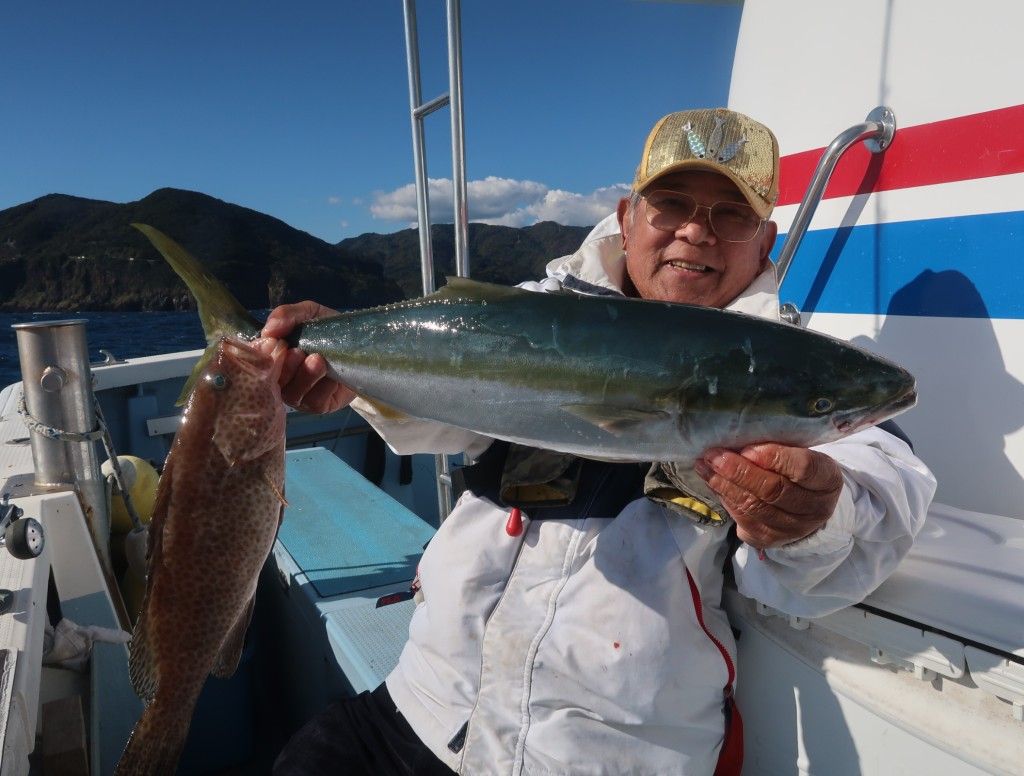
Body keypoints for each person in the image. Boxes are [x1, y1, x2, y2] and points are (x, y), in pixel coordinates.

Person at [264, 108, 937, 775]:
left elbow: (880, 483)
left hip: (607, 754)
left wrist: (817, 514)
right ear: (627, 217)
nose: (697, 231)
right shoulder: (534, 314)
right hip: (423, 711)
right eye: (671, 204)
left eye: (731, 215)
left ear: (765, 242)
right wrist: (351, 368)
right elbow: (433, 418)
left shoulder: (789, 363)